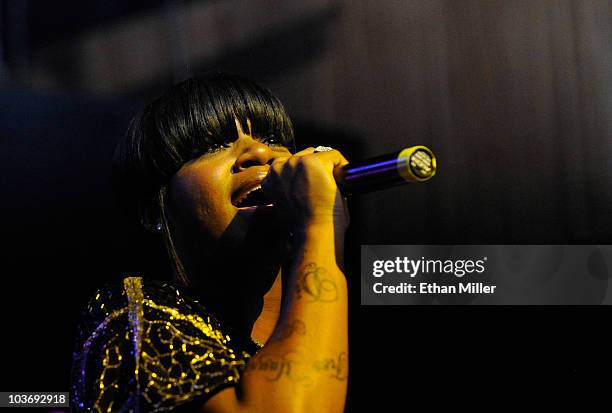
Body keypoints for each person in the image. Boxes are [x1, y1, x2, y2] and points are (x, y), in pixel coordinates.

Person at [71, 73, 350, 412]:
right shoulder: (130, 318)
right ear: (153, 210)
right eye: (211, 146)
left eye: (274, 138)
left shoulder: (345, 327)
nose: (260, 152)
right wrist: (319, 224)